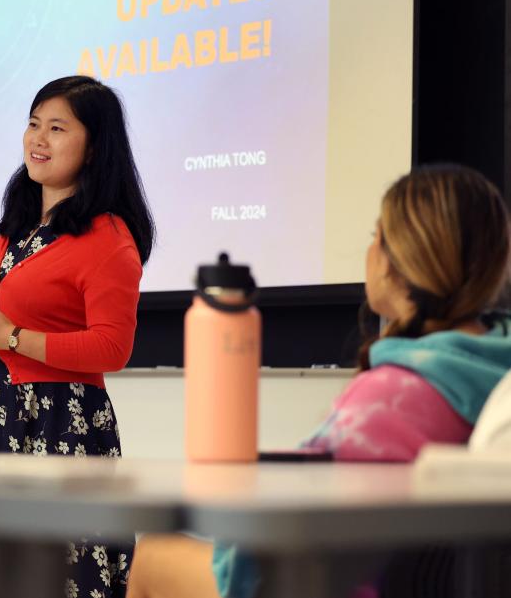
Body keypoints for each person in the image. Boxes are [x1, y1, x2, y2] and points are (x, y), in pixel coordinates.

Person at [127, 164, 511, 598]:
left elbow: (293, 531)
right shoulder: (498, 372)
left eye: (375, 236)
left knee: (154, 555)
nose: (369, 250)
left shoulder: (393, 398)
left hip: (337, 583)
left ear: (399, 259)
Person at [0, 75, 155, 598]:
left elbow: (112, 347)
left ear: (94, 147)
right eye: (33, 124)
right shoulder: (18, 230)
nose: (38, 139)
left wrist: (13, 339)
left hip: (60, 428)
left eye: (56, 128)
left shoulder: (109, 237)